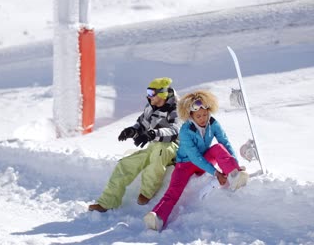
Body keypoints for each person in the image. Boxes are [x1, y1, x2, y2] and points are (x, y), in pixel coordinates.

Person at [143, 90, 249, 231]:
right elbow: (194, 157)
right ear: (190, 115)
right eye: (198, 116)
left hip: (204, 160)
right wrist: (216, 173)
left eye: (205, 114)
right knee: (173, 190)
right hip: (185, 165)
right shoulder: (185, 131)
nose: (203, 118)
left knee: (218, 147)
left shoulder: (213, 123)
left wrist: (234, 164)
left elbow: (225, 142)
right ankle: (157, 216)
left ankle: (234, 175)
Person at [88, 77, 181, 212]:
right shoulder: (151, 106)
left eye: (151, 93)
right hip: (154, 145)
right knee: (125, 164)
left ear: (162, 93)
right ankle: (107, 202)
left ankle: (147, 192)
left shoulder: (176, 109)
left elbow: (174, 130)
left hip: (172, 147)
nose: (148, 97)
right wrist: (133, 130)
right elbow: (143, 123)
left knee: (158, 154)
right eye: (148, 93)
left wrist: (153, 134)